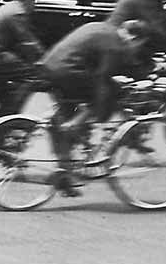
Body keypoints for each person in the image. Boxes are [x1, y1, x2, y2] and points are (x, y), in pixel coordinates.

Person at [37, 20, 154, 196]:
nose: (135, 49)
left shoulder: (100, 27)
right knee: (110, 91)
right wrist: (97, 115)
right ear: (133, 38)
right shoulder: (115, 45)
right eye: (138, 44)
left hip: (49, 67)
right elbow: (103, 78)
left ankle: (64, 175)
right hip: (69, 71)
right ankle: (76, 124)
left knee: (63, 120)